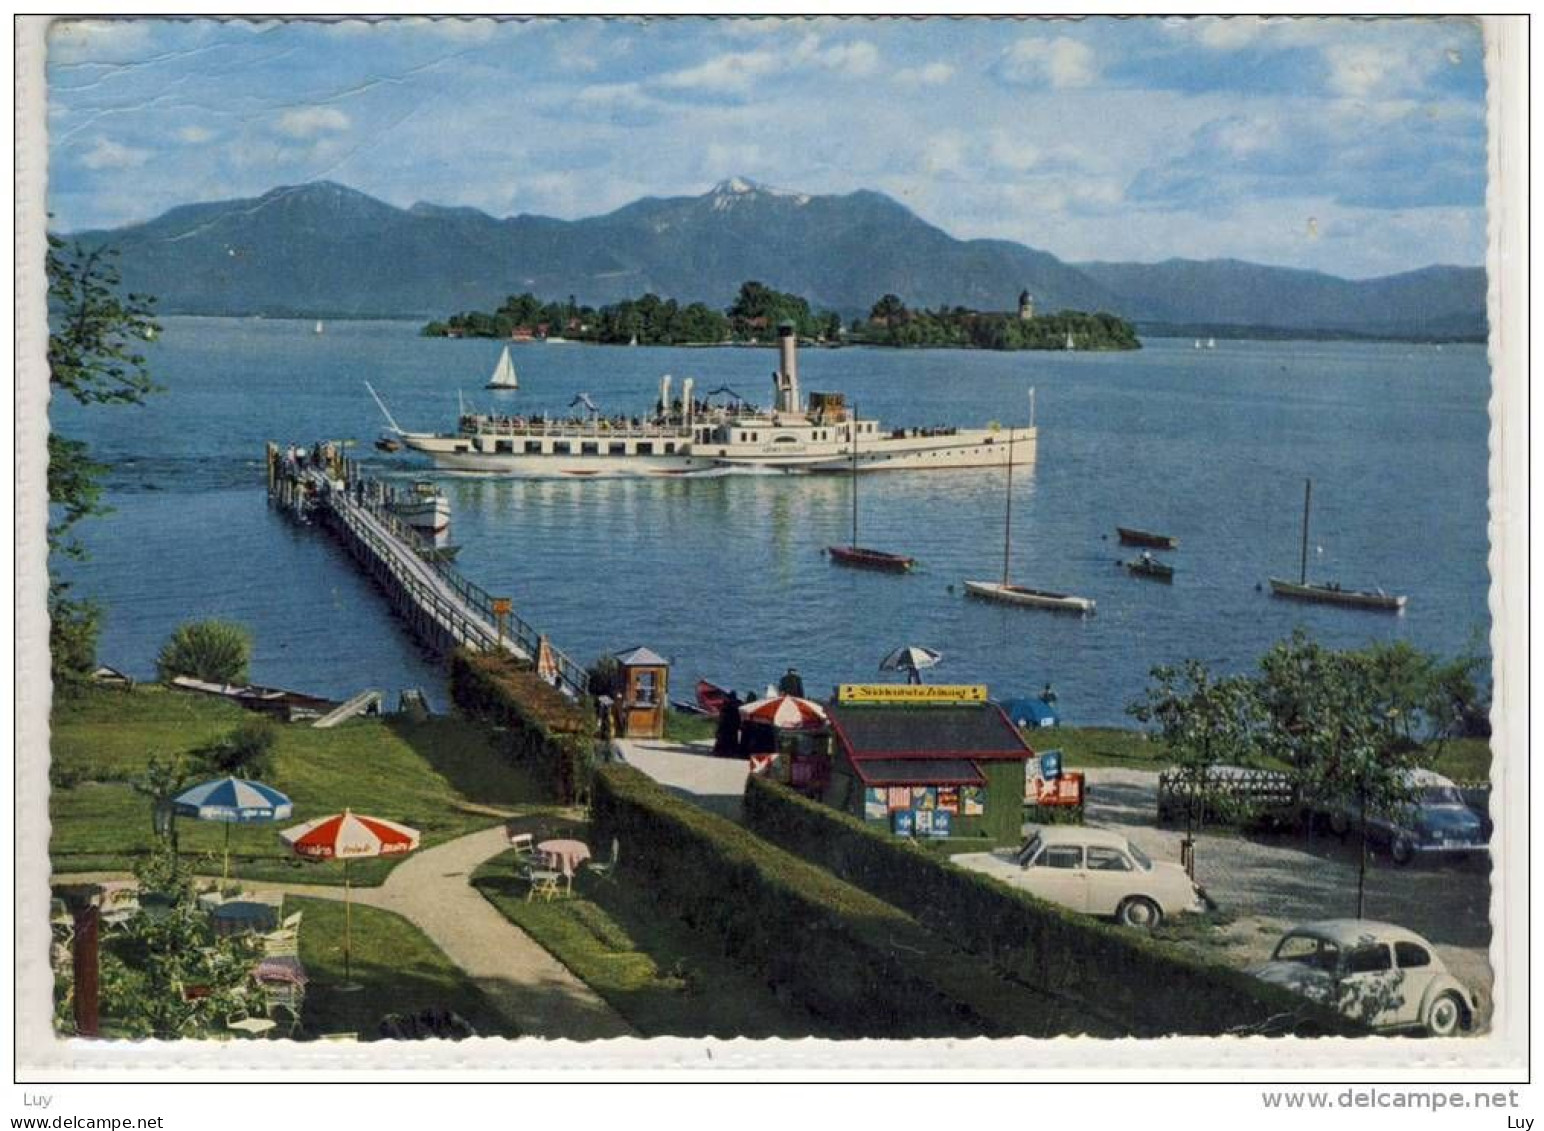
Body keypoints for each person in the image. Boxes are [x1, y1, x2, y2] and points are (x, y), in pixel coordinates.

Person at [713, 692, 742, 758]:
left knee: (724, 738)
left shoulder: (727, 705)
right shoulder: (738, 704)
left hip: (726, 724)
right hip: (733, 724)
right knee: (732, 738)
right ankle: (731, 751)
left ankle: (721, 751)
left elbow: (723, 715)